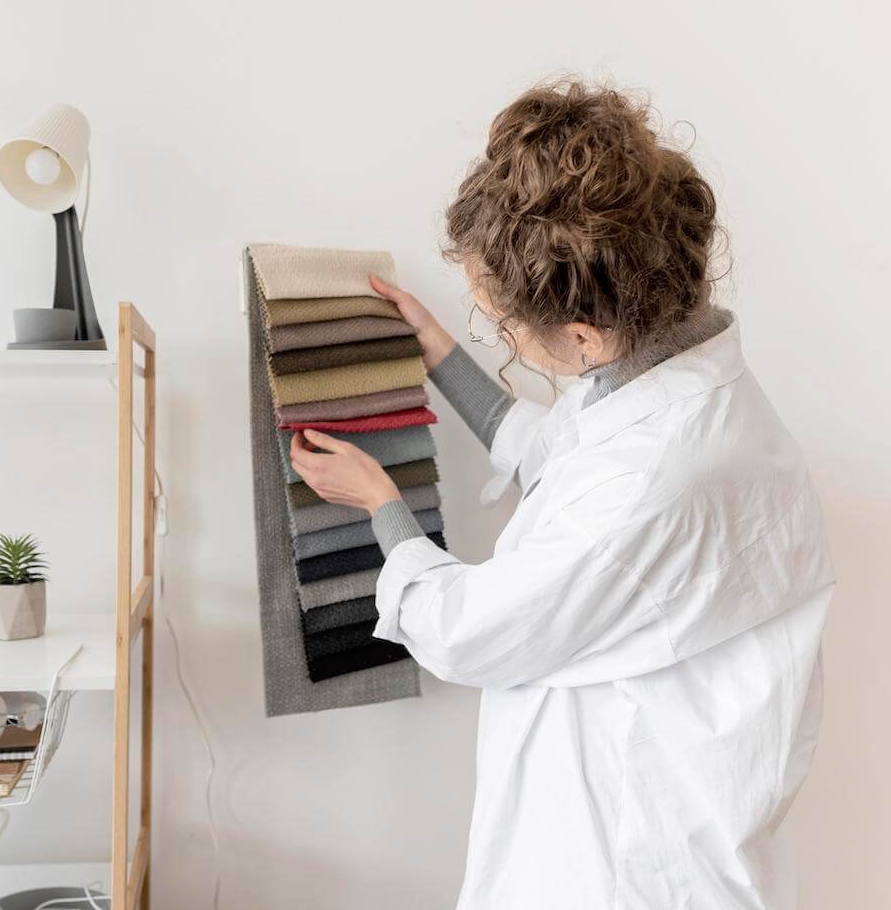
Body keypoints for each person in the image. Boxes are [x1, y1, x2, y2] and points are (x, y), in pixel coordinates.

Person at [288, 79, 835, 909]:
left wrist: (379, 505)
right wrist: (440, 353)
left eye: (498, 325)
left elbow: (468, 630)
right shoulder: (666, 370)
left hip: (627, 867)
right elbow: (558, 447)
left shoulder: (651, 478)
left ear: (582, 334)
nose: (495, 333)